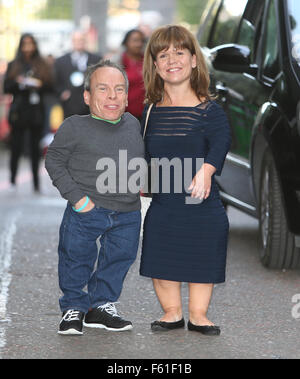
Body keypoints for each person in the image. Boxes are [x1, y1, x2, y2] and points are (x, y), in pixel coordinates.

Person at [139, 25, 232, 335]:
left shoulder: (210, 111)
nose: (171, 59)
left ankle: (199, 315)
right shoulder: (150, 111)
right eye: (163, 54)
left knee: (203, 250)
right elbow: (144, 152)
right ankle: (171, 313)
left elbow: (221, 143)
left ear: (194, 60)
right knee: (160, 250)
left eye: (179, 52)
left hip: (201, 202)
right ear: (155, 65)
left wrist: (206, 170)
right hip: (164, 202)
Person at [45, 60, 145, 335]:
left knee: (120, 258)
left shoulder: (133, 124)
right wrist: (77, 199)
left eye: (119, 89)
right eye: (103, 89)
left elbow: (137, 163)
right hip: (86, 209)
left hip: (127, 213)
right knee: (76, 256)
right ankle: (73, 307)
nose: (112, 96)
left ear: (127, 96)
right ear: (87, 96)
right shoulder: (74, 126)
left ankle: (100, 306)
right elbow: (54, 161)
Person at [3, 33, 53, 192]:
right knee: (16, 146)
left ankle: (36, 182)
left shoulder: (41, 64)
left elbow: (50, 86)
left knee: (34, 147)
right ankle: (12, 179)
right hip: (19, 109)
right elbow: (6, 87)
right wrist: (20, 84)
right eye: (25, 44)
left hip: (36, 110)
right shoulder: (14, 64)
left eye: (30, 44)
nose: (28, 48)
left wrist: (37, 85)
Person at [54, 30, 101, 119]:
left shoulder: (96, 60)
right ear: (72, 42)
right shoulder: (61, 61)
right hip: (70, 106)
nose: (79, 43)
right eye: (76, 40)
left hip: (91, 107)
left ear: (85, 41)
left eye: (82, 40)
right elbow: (56, 82)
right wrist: (62, 93)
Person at [110, 29, 146, 120]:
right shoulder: (117, 62)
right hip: (123, 115)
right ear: (126, 43)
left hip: (146, 114)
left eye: (141, 41)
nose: (139, 44)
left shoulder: (148, 61)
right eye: (135, 40)